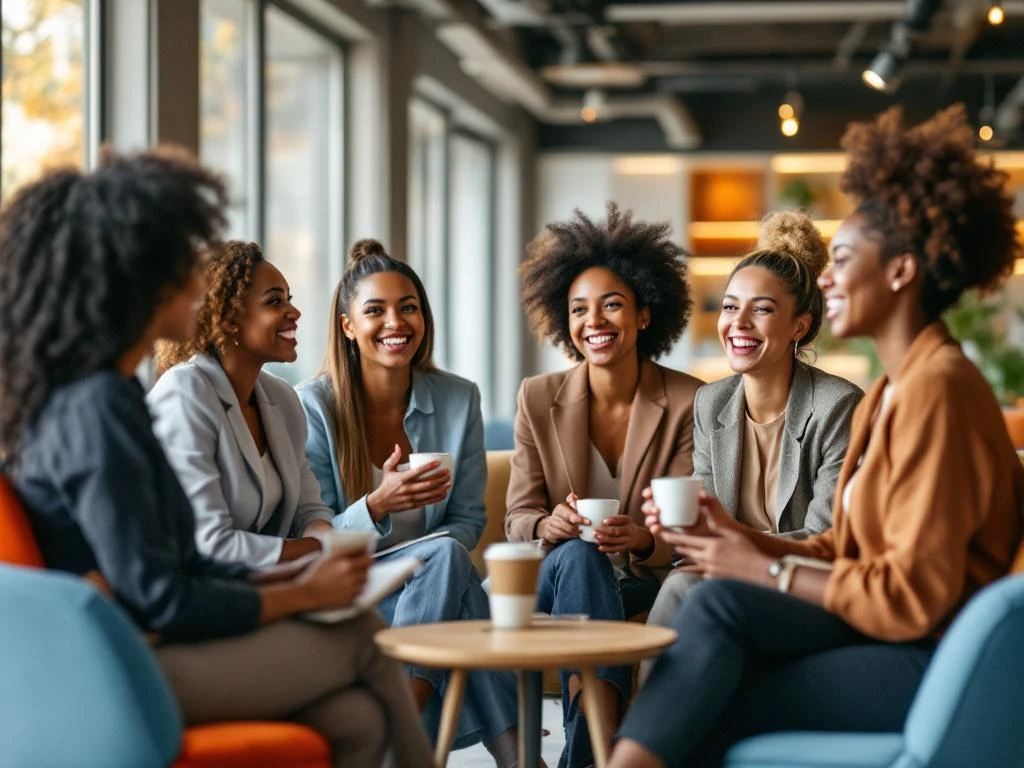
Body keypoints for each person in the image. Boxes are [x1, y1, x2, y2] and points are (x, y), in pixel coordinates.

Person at [609, 105, 1024, 768]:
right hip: (885, 635)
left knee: (710, 671)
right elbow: (841, 548)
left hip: (928, 658)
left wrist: (763, 567)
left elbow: (912, 599)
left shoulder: (939, 389)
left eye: (845, 259)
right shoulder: (894, 388)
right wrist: (735, 538)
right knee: (712, 614)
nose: (825, 276)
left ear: (901, 271)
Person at [0, 148, 433, 768]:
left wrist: (299, 579)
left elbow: (171, 567)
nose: (200, 282)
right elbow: (162, 597)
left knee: (355, 720)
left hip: (140, 644)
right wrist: (303, 595)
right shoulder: (96, 409)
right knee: (361, 637)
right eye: (183, 264)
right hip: (117, 671)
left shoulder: (110, 394)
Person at [297, 239, 522, 766]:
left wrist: (428, 564)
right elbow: (315, 533)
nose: (396, 322)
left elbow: (468, 516)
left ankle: (408, 738)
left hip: (431, 592)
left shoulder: (457, 396)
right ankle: (499, 753)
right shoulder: (313, 405)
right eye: (375, 310)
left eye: (409, 307)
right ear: (348, 326)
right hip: (353, 585)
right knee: (449, 565)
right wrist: (377, 504)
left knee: (447, 563)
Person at [506, 202, 703, 767]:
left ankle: (586, 753)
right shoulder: (537, 397)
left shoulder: (691, 400)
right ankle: (599, 749)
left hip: (644, 580)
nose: (594, 321)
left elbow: (687, 527)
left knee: (597, 569)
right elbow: (518, 516)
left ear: (644, 314)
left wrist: (640, 539)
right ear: (563, 322)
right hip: (558, 575)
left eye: (611, 305)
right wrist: (550, 524)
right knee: (579, 561)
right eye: (578, 309)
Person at [644, 211, 862, 631]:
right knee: (683, 585)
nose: (738, 323)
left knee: (682, 591)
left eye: (761, 309)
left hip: (801, 583)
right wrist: (678, 527)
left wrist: (732, 550)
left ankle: (637, 699)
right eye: (730, 307)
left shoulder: (839, 407)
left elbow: (825, 541)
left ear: (800, 325)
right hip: (725, 578)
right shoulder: (711, 402)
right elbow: (708, 516)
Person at [148, 241, 334, 567]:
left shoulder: (283, 399)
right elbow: (210, 543)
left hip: (270, 581)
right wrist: (316, 551)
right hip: (202, 592)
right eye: (274, 301)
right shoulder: (185, 393)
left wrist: (324, 539)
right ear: (230, 317)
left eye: (289, 299)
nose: (294, 312)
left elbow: (309, 510)